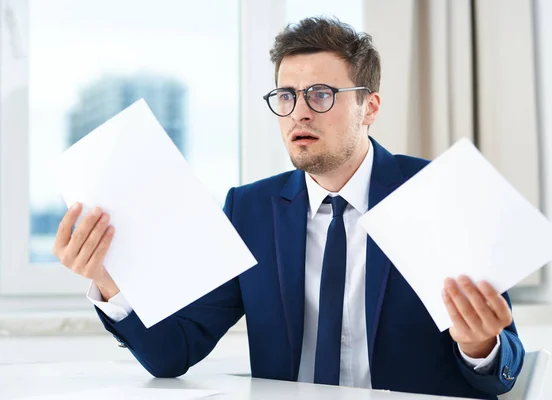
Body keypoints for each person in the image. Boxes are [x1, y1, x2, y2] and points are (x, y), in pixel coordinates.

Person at [53, 17, 523, 399]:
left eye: (321, 95)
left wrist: (479, 345)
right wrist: (109, 281)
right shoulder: (251, 209)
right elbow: (172, 353)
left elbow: (504, 365)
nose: (299, 111)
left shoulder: (433, 192)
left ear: (370, 107)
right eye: (286, 96)